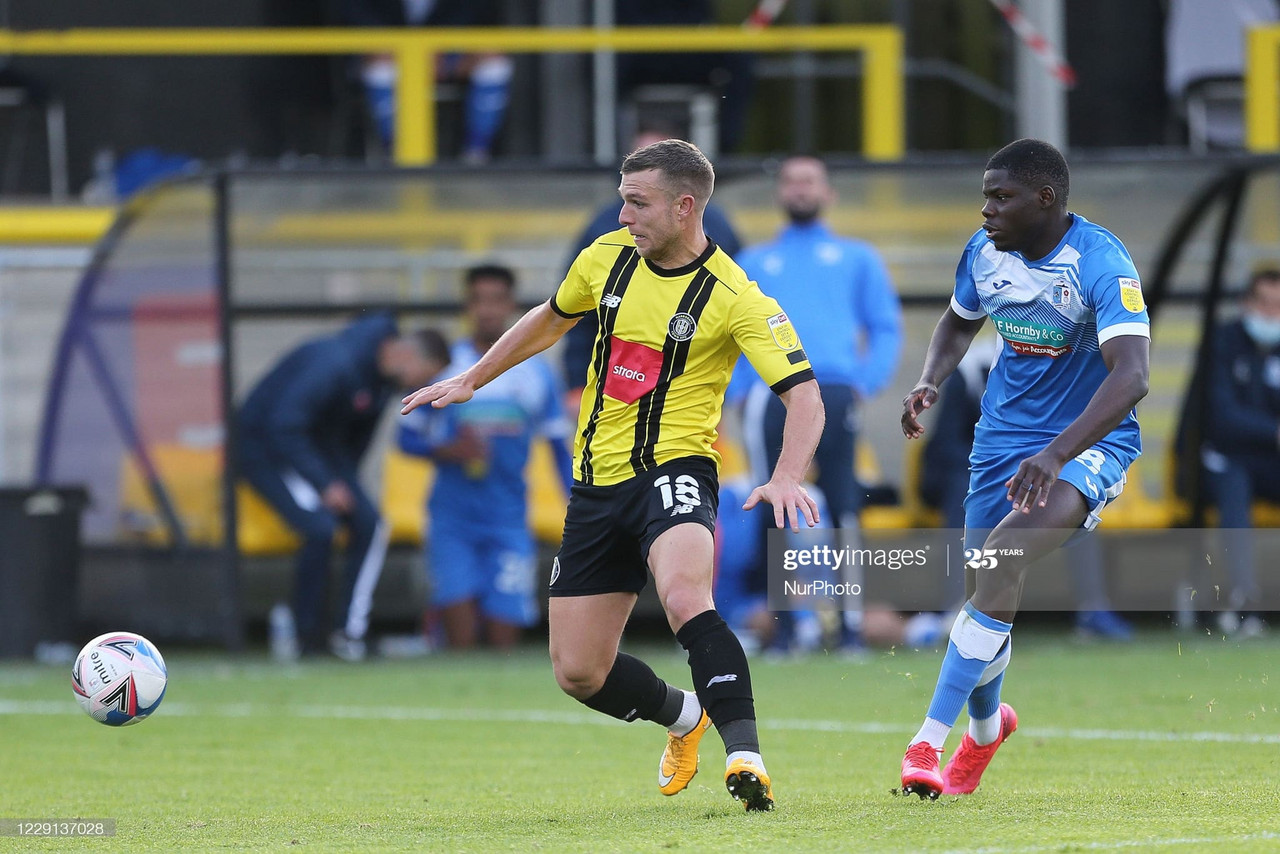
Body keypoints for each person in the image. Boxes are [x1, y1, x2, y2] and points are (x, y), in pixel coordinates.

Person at [402, 139, 824, 812]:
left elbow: (804, 395)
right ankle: (687, 717)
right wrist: (473, 377)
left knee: (687, 595)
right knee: (577, 672)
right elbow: (551, 317)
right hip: (596, 486)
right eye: (623, 200)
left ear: (685, 207)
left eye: (638, 202)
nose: (623, 214)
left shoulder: (737, 297)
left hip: (676, 469)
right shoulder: (605, 258)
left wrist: (784, 474)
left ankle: (746, 756)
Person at [898, 139, 1150, 799]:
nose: (986, 211)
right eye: (985, 196)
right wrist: (931, 380)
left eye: (1000, 197)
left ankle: (927, 742)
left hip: (1087, 444)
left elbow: (1133, 376)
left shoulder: (1100, 260)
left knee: (1001, 559)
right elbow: (958, 322)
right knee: (987, 586)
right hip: (1003, 441)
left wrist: (1058, 452)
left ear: (1046, 199)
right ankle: (986, 733)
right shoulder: (985, 254)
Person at [736, 154, 902, 650]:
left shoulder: (857, 258)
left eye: (810, 181)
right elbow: (732, 336)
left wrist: (863, 382)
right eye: (791, 181)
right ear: (780, 194)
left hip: (832, 389)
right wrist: (741, 392)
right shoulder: (754, 262)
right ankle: (785, 630)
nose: (800, 189)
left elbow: (886, 327)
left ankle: (849, 628)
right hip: (770, 395)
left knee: (844, 506)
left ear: (827, 192)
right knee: (774, 505)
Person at [237, 313, 446, 660]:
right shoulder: (335, 365)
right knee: (321, 527)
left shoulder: (381, 382)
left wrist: (342, 481)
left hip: (315, 452)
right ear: (408, 356)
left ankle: (347, 635)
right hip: (266, 449)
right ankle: (305, 638)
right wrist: (325, 484)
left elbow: (352, 445)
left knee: (371, 523)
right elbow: (284, 425)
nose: (419, 388)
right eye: (425, 379)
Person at [398, 264, 574, 650]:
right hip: (452, 519)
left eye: (496, 300)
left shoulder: (537, 373)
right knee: (459, 637)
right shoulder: (446, 367)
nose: (488, 310)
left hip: (508, 519)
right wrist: (447, 451)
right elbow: (406, 439)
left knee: (502, 638)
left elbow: (560, 449)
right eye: (479, 300)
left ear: (511, 305)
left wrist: (578, 508)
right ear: (467, 306)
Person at [921, 336, 1135, 642]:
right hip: (983, 469)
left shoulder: (1062, 365)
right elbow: (945, 445)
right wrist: (996, 461)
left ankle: (1093, 608)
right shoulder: (972, 367)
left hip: (1041, 468)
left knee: (1076, 493)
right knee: (964, 491)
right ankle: (956, 608)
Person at [560, 124, 742, 402]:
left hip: (697, 385)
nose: (627, 219)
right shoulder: (603, 230)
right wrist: (575, 381)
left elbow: (739, 311)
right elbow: (572, 311)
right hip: (615, 385)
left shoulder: (716, 225)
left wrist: (732, 388)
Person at [1197, 268, 1280, 637]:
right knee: (1234, 486)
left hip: (1270, 461)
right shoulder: (1223, 342)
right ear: (1247, 303)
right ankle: (1241, 601)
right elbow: (1222, 416)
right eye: (1264, 303)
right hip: (1224, 457)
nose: (1271, 313)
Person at [340, 0, 513, 162]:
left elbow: (475, 13)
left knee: (493, 61)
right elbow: (356, 14)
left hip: (447, 53)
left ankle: (476, 154)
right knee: (379, 66)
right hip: (388, 52)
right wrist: (403, 50)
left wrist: (441, 45)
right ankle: (396, 152)